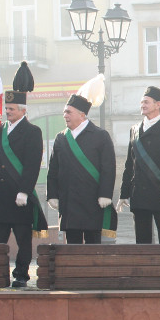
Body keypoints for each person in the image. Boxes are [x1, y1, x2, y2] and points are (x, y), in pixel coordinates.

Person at [0, 62, 48, 287]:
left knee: (22, 240)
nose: (7, 112)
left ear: (23, 110)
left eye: (11, 109)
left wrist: (24, 190)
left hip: (20, 196)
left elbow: (32, 165)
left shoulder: (33, 132)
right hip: (0, 195)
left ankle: (21, 275)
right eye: (6, 108)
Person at [47, 74, 117, 244]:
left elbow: (108, 168)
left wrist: (106, 194)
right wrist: (52, 195)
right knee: (72, 246)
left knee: (93, 245)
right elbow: (53, 170)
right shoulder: (61, 138)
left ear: (82, 115)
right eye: (64, 112)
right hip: (69, 202)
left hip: (92, 202)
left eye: (68, 112)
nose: (65, 115)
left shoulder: (100, 135)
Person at [118, 68, 160, 244]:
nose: (142, 105)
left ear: (158, 104)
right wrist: (124, 193)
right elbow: (129, 165)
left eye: (146, 102)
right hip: (139, 195)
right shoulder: (134, 130)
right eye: (141, 102)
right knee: (142, 242)